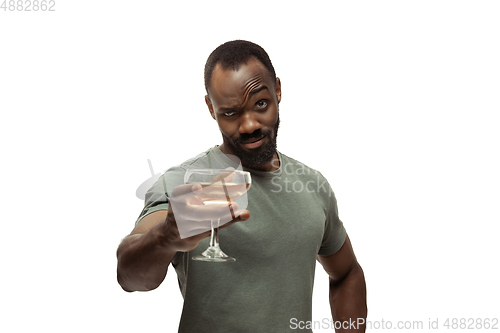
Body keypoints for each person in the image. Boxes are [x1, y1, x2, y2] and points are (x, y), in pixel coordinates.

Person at [116, 40, 367, 332]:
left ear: (278, 90)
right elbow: (128, 276)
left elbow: (347, 272)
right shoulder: (184, 184)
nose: (249, 124)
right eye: (231, 112)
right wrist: (166, 237)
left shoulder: (313, 184)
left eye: (261, 103)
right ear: (211, 107)